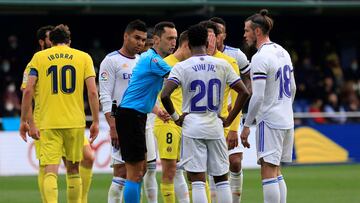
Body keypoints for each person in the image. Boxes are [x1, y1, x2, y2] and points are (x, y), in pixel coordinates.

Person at [161, 23, 250, 203]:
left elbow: (164, 95)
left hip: (192, 126)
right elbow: (245, 92)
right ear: (206, 41)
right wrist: (228, 120)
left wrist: (177, 118)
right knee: (221, 179)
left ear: (188, 43)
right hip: (215, 126)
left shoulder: (182, 67)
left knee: (198, 181)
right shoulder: (222, 64)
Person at [19, 24, 99, 203]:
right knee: (73, 170)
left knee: (50, 170)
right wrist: (95, 121)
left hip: (48, 122)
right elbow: (93, 92)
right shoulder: (83, 57)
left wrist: (26, 121)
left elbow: (27, 91)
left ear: (51, 41)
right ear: (69, 41)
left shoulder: (38, 58)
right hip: (75, 122)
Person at [115, 21, 177, 203]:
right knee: (134, 173)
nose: (173, 42)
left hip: (136, 115)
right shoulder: (153, 59)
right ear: (157, 40)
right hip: (130, 117)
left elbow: (141, 93)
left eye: (175, 39)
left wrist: (157, 110)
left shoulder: (150, 59)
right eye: (170, 38)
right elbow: (178, 77)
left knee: (140, 170)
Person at [99, 19, 159, 203]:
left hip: (145, 122)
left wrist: (158, 110)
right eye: (136, 38)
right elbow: (106, 96)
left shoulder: (143, 61)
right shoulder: (111, 61)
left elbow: (146, 93)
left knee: (145, 170)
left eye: (143, 40)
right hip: (123, 124)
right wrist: (113, 126)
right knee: (122, 172)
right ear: (126, 36)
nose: (140, 43)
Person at [240, 9, 296, 203]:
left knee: (267, 170)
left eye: (247, 30)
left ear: (257, 32)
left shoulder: (260, 57)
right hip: (286, 119)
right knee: (276, 169)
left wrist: (247, 125)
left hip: (270, 121)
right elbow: (293, 87)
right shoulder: (283, 51)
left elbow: (258, 96)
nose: (244, 34)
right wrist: (285, 108)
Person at [210, 16, 251, 202]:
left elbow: (248, 78)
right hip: (211, 119)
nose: (215, 37)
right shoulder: (201, 57)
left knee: (235, 162)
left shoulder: (236, 55)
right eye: (212, 33)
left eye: (218, 33)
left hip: (232, 115)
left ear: (223, 35)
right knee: (212, 166)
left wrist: (241, 98)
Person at [154, 30, 191, 203]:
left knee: (189, 171)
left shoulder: (189, 65)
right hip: (168, 123)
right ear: (186, 46)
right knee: (169, 172)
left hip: (186, 123)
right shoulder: (163, 64)